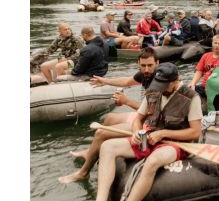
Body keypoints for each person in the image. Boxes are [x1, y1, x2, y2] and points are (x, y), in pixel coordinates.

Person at [93, 63, 202, 201]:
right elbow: (138, 119)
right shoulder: (153, 91)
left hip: (175, 144)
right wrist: (136, 131)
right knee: (107, 147)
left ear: (176, 81)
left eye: (164, 85)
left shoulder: (191, 97)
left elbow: (195, 132)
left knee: (153, 161)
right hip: (149, 138)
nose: (160, 89)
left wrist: (163, 133)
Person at [58, 48, 159, 184]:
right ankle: (91, 152)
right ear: (138, 64)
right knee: (110, 118)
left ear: (157, 63)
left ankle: (83, 172)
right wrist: (105, 81)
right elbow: (127, 81)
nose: (146, 69)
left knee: (101, 133)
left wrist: (127, 101)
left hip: (154, 122)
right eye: (143, 65)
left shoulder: (160, 81)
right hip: (145, 116)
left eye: (150, 65)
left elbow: (150, 112)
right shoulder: (144, 74)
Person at [189, 35, 219, 110]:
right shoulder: (205, 56)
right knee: (187, 89)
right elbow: (199, 71)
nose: (217, 45)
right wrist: (193, 83)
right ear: (212, 44)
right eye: (215, 43)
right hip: (204, 87)